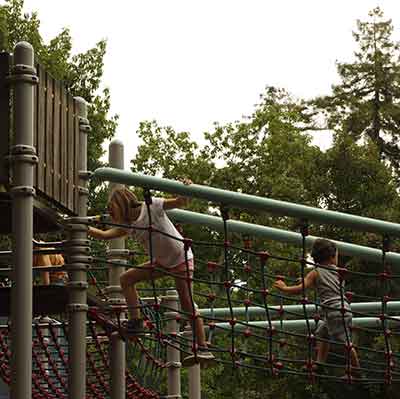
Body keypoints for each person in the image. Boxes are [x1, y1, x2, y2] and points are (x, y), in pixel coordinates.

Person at [88, 185, 215, 368]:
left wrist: (184, 188)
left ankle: (203, 348)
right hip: (162, 262)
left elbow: (181, 202)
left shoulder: (151, 206)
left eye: (111, 208)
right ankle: (136, 321)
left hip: (181, 260)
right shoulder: (128, 225)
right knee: (126, 279)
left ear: (121, 203)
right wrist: (82, 227)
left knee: (186, 302)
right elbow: (104, 234)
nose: (109, 212)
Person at [273, 238, 360, 376]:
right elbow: (328, 287)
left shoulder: (316, 272)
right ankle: (320, 364)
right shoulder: (338, 272)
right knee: (322, 333)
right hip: (341, 309)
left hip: (334, 312)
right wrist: (308, 280)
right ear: (332, 257)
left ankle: (356, 370)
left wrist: (284, 288)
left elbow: (300, 290)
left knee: (345, 343)